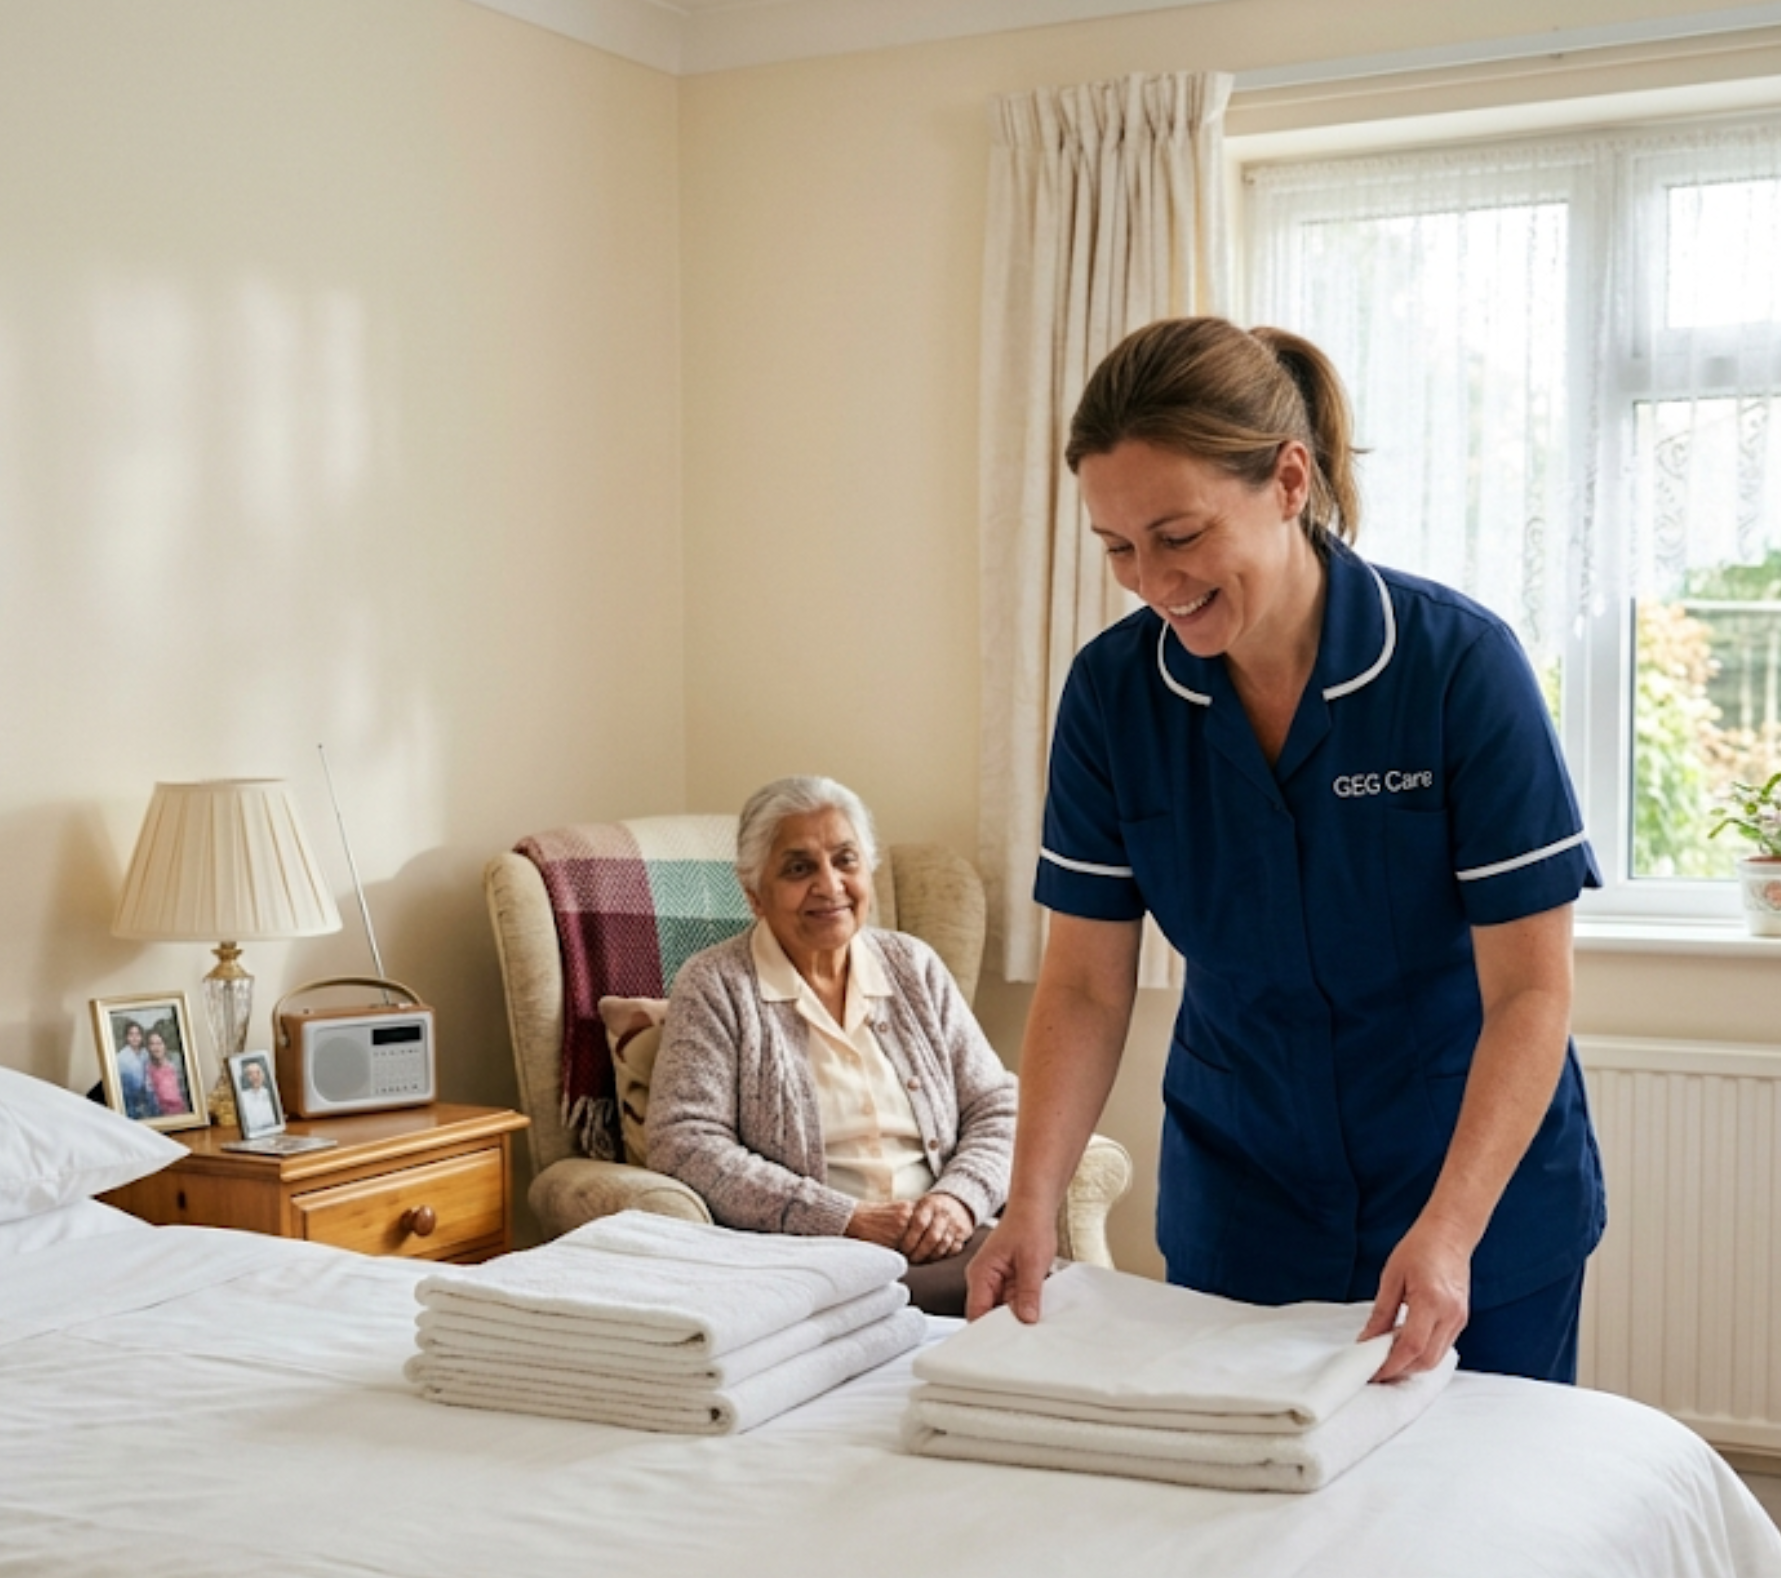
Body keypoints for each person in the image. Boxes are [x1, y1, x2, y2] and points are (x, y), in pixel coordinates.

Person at [967, 317, 1604, 1385]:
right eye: (1116, 546)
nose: (1148, 578)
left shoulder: (1458, 668)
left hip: (1470, 1189)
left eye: (1179, 534)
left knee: (1472, 1522)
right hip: (1244, 1192)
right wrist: (1030, 1203)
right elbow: (1083, 985)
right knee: (1252, 1523)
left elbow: (1532, 994)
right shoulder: (1113, 698)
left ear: (1290, 480)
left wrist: (1447, 1230)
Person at [645, 776, 1017, 1316]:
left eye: (845, 860)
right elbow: (684, 1143)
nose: (829, 885)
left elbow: (996, 1104)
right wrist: (845, 1218)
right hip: (816, 1259)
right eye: (799, 868)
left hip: (948, 1242)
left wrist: (957, 1200)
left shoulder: (914, 966)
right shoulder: (715, 985)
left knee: (1059, 1304)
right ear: (755, 893)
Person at [144, 1029, 191, 1123]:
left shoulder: (176, 1062)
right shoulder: (148, 1067)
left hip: (183, 1114)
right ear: (148, 1047)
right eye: (152, 1044)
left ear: (165, 1045)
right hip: (162, 1116)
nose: (156, 1047)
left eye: (159, 1043)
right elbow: (149, 1092)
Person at [115, 1020, 157, 1120]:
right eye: (131, 1034)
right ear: (126, 1037)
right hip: (131, 1094)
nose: (135, 1038)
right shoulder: (120, 1057)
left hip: (146, 1091)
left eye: (138, 1034)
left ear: (142, 1037)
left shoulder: (145, 1052)